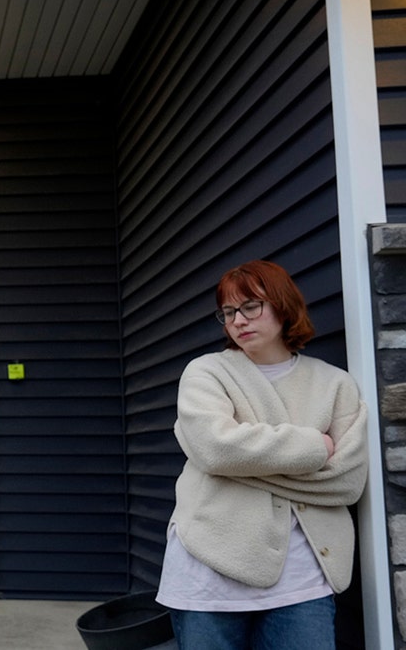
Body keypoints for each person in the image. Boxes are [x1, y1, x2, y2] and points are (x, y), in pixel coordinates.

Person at [156, 260, 369, 649]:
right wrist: (315, 448)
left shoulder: (335, 384)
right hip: (208, 576)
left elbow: (347, 481)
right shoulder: (206, 373)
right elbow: (216, 449)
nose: (238, 320)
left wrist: (238, 463)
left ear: (283, 305)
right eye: (228, 312)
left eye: (250, 306)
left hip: (303, 583)